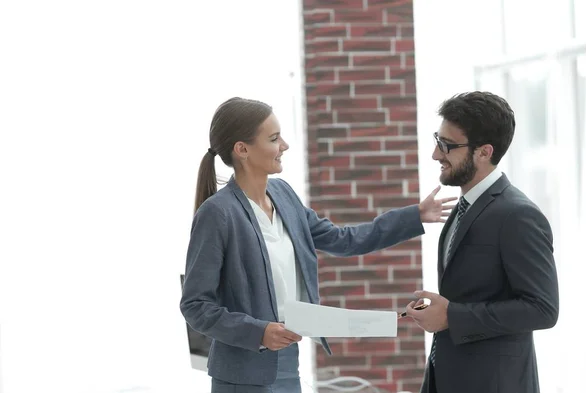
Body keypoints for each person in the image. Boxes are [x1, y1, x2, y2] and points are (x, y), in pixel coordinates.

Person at [180, 97, 456, 393]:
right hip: (242, 373)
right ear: (242, 149)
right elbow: (195, 305)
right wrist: (258, 332)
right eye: (274, 139)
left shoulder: (283, 194)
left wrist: (413, 216)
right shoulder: (218, 213)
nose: (284, 145)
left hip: (287, 360)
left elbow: (343, 240)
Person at [404, 92, 559, 393]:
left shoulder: (518, 215)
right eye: (438, 140)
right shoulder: (464, 208)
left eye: (447, 145)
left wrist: (451, 316)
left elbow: (543, 309)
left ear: (484, 152)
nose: (436, 154)